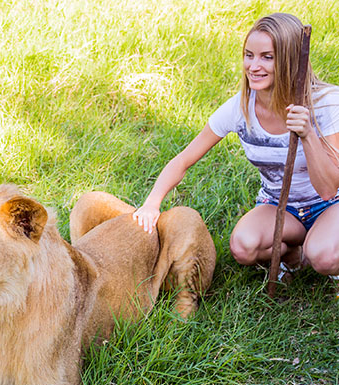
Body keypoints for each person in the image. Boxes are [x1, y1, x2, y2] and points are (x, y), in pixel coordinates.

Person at [133, 13, 339, 287]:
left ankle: (326, 249)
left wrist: (308, 134)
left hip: (330, 205)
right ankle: (294, 254)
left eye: (267, 57)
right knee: (244, 247)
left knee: (323, 257)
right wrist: (152, 203)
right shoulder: (240, 108)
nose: (253, 66)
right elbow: (184, 159)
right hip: (280, 207)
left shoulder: (326, 103)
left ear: (289, 60)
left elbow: (328, 188)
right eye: (249, 55)